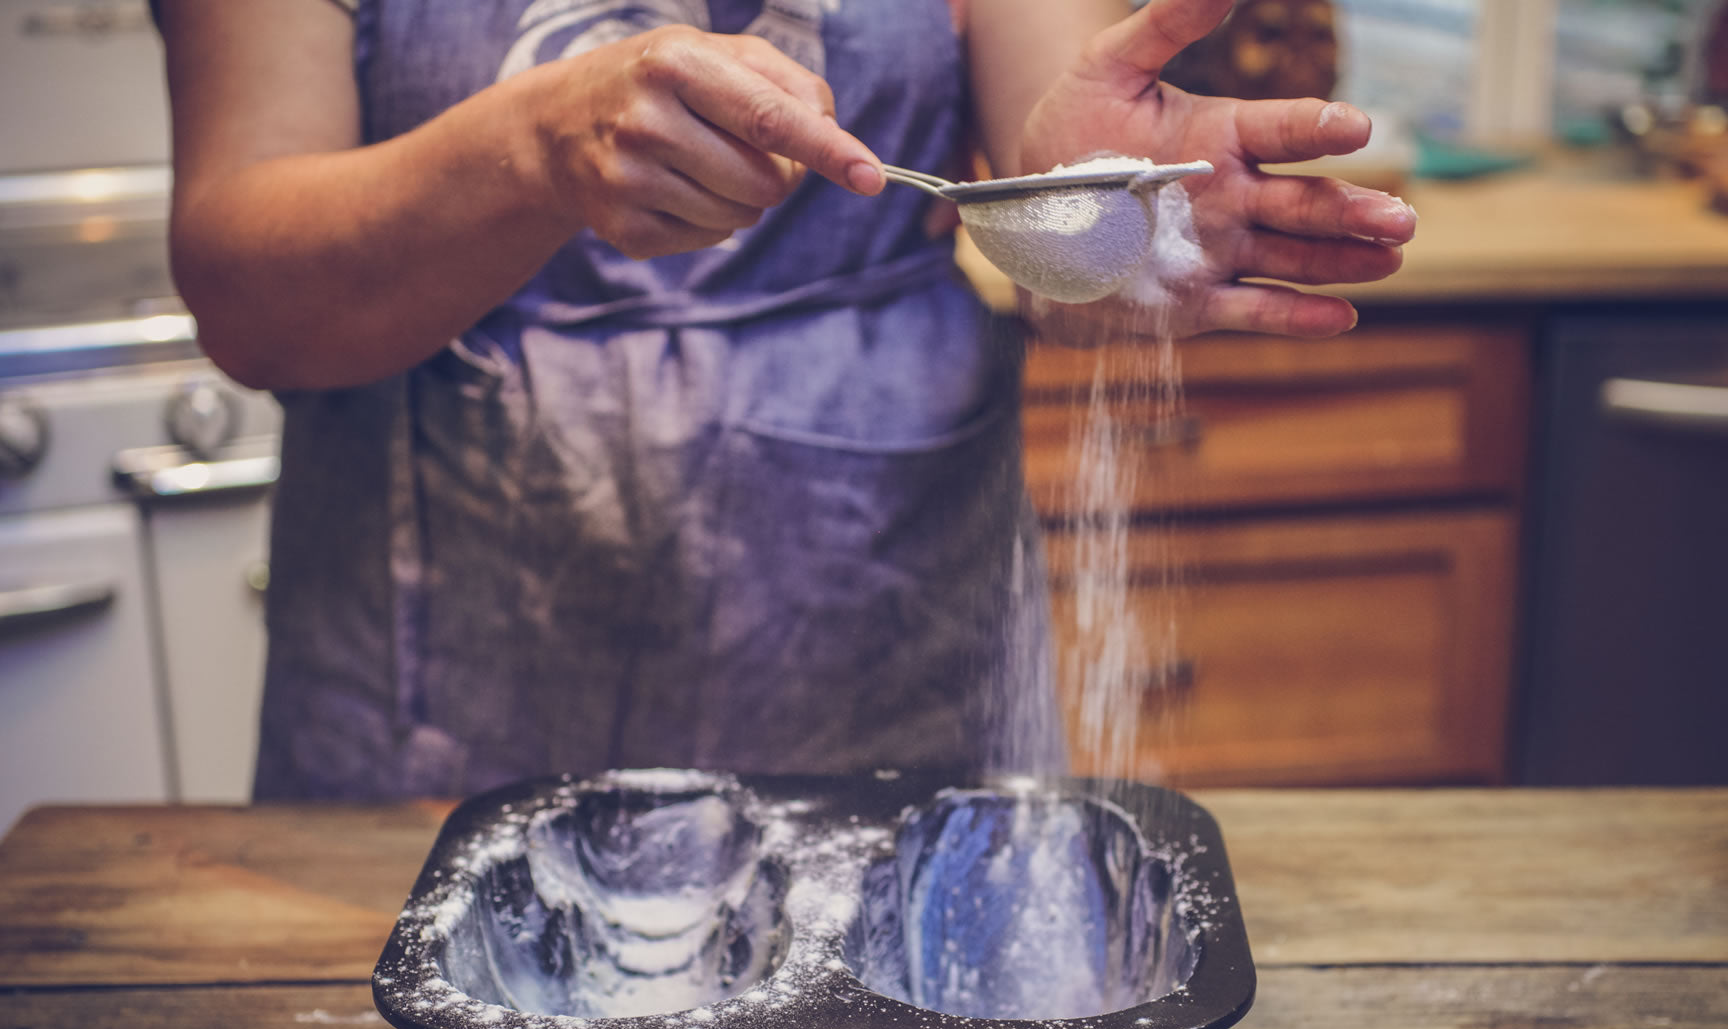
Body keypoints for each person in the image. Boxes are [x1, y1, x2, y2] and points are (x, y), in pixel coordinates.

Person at [150, 0, 1415, 800]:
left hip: (889, 625)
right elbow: (249, 303)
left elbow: (1050, 192)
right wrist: (528, 150)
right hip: (451, 662)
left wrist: (1102, 216)